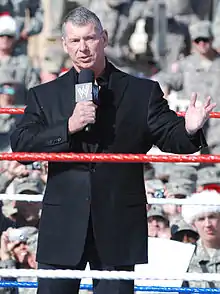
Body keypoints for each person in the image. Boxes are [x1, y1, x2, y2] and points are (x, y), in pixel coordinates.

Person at [10, 7, 216, 294]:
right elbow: (21, 146)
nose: (83, 48)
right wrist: (67, 127)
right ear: (65, 45)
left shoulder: (141, 92)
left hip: (118, 225)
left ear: (104, 38)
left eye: (90, 38)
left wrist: (191, 128)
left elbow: (173, 139)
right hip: (63, 225)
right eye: (75, 41)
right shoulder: (45, 95)